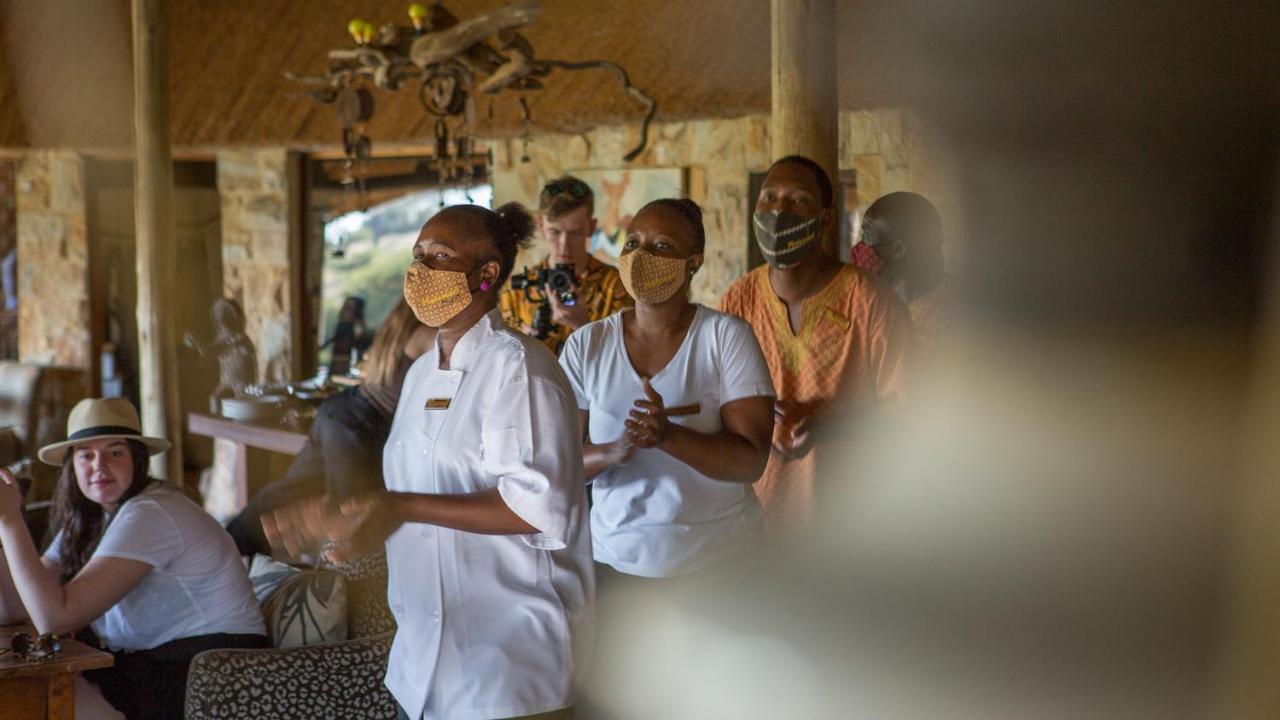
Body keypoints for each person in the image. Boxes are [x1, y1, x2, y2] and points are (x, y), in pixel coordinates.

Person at [264, 203, 593, 720]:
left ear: (487, 275)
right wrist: (351, 522)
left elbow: (533, 509)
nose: (420, 272)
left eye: (440, 257)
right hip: (423, 665)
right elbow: (414, 497)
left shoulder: (519, 370)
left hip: (508, 668)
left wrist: (400, 506)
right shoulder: (418, 375)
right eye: (418, 256)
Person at [0, 398, 266, 719]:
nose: (99, 465)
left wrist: (11, 519)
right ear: (72, 467)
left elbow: (54, 617)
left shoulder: (151, 513)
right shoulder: (93, 517)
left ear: (137, 460)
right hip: (154, 665)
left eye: (114, 452)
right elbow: (14, 607)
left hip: (214, 674)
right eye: (86, 455)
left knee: (36, 702)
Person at [560, 198, 775, 582]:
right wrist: (612, 452)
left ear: (694, 262)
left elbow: (751, 461)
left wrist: (668, 436)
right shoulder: (586, 345)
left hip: (720, 563)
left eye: (661, 246)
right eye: (632, 243)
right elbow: (559, 464)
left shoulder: (725, 337)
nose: (640, 256)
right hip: (615, 564)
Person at [720, 156, 913, 532]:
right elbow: (713, 403)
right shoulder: (738, 300)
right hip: (754, 525)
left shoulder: (871, 301)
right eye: (770, 198)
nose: (779, 212)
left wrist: (831, 422)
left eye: (798, 201)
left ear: (825, 220)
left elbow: (908, 416)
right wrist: (754, 419)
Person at [225, 298, 435, 556]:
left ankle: (228, 547)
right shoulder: (430, 332)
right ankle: (228, 551)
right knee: (352, 518)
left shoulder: (401, 324)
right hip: (360, 424)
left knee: (295, 491)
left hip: (342, 413)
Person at [499, 175, 631, 354]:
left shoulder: (617, 287)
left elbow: (627, 361)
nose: (564, 244)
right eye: (554, 232)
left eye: (575, 233)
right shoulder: (516, 292)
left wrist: (583, 325)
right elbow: (501, 364)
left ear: (591, 227)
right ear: (541, 225)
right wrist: (523, 344)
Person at [852, 191, 950, 350]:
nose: (859, 248)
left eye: (867, 236)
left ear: (897, 249)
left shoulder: (960, 311)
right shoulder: (869, 304)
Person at [323, 296, 372, 376]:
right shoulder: (341, 325)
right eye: (345, 307)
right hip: (337, 366)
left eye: (350, 308)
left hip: (352, 370)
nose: (345, 311)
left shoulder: (359, 329)